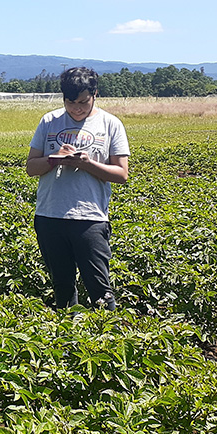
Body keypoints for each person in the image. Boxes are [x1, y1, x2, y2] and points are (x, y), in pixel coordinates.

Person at [25, 67, 129, 311]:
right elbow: (31, 167)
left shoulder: (110, 124)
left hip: (90, 218)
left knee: (100, 289)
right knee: (62, 288)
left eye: (83, 102)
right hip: (50, 215)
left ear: (95, 95)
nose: (77, 108)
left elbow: (121, 174)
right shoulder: (49, 121)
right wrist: (54, 159)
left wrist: (87, 164)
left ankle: (110, 338)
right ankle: (69, 340)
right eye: (71, 102)